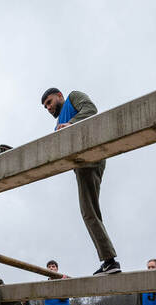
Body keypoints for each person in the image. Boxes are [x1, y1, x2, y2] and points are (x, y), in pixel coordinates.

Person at [41, 88, 120, 275]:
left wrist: (70, 124)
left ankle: (110, 261)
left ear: (59, 96)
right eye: (45, 107)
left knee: (89, 212)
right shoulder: (58, 126)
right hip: (79, 165)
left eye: (50, 102)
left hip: (91, 159)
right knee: (89, 212)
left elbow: (91, 109)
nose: (48, 108)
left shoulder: (73, 98)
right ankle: (109, 260)